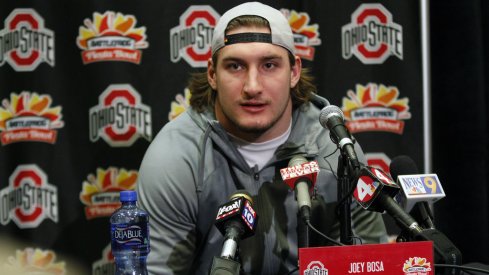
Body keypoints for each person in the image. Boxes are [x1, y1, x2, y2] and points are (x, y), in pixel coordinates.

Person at [136, 2, 388, 274]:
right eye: (235, 66)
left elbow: (367, 264)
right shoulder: (176, 156)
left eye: (269, 65)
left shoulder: (335, 151)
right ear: (212, 74)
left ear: (293, 72)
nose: (252, 86)